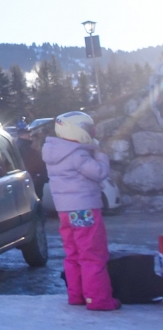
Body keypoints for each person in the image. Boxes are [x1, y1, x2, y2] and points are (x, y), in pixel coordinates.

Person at [42, 111, 119, 311]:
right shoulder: (78, 154)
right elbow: (99, 172)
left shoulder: (55, 152)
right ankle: (98, 299)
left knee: (73, 253)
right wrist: (100, 154)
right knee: (92, 253)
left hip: (65, 211)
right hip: (85, 209)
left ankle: (77, 295)